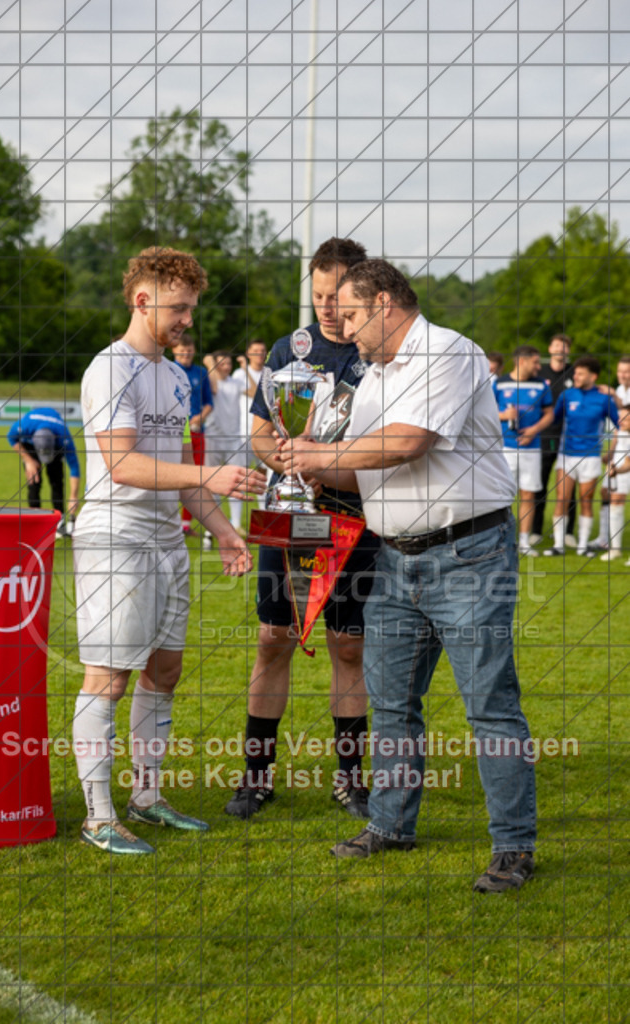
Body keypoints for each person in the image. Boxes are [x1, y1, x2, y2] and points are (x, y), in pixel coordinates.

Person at [280, 258, 537, 893]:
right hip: (392, 558)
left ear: (386, 302)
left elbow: (407, 442)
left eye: (351, 309)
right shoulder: (372, 375)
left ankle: (513, 846)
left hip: (468, 555)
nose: (340, 320)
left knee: (489, 705)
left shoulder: (449, 351)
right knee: (392, 702)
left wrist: (323, 454)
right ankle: (392, 824)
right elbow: (362, 468)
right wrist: (305, 466)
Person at [72, 247, 265, 855]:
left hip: (165, 539)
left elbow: (180, 469)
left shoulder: (177, 377)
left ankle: (147, 798)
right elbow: (123, 465)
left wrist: (223, 530)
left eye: (191, 308)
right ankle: (98, 816)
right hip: (115, 536)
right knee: (108, 676)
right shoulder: (110, 369)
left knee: (165, 670)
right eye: (178, 308)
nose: (187, 319)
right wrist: (208, 481)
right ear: (141, 299)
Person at [224, 236, 381, 822]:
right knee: (273, 640)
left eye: (336, 297)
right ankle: (256, 778)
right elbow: (262, 433)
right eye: (316, 296)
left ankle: (351, 781)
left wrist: (331, 467)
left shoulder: (382, 357)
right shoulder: (290, 351)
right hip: (287, 509)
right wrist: (289, 462)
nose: (325, 308)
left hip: (353, 515)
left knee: (349, 644)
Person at [543, 356, 619, 557]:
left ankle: (582, 547)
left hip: (591, 457)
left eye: (580, 373)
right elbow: (553, 419)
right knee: (562, 499)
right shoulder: (567, 395)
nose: (575, 376)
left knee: (586, 501)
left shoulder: (604, 399)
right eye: (575, 373)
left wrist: (612, 452)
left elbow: (622, 425)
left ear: (593, 376)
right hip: (566, 455)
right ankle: (558, 545)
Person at [493, 346, 553, 556]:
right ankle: (502, 541)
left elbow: (549, 413)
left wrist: (534, 430)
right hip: (505, 449)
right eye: (535, 362)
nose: (539, 366)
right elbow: (486, 412)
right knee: (503, 497)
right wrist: (503, 415)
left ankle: (525, 543)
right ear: (522, 361)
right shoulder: (499, 384)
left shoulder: (541, 385)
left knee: (528, 494)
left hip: (531, 448)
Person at [7, 407, 81, 536]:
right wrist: (28, 460)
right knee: (34, 482)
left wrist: (73, 496)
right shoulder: (24, 426)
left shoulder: (63, 436)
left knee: (57, 482)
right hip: (30, 445)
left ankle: (60, 524)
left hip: (54, 443)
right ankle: (35, 523)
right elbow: (11, 438)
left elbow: (74, 466)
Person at [531, 334, 576, 545]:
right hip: (545, 436)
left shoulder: (575, 373)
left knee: (570, 487)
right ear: (550, 348)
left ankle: (568, 532)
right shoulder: (540, 372)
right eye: (557, 345)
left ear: (568, 350)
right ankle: (535, 531)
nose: (560, 349)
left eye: (564, 346)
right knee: (539, 484)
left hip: (569, 438)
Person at [172, 333, 214, 535]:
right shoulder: (166, 369)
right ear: (174, 349)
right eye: (182, 350)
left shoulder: (201, 372)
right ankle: (167, 520)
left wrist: (199, 418)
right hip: (173, 431)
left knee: (194, 476)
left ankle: (185, 524)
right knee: (170, 475)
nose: (186, 354)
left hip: (197, 431)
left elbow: (209, 403)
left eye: (189, 351)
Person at [202, 350, 246, 540]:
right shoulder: (211, 381)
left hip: (233, 437)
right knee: (213, 483)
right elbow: (214, 389)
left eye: (229, 364)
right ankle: (216, 525)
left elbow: (253, 391)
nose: (226, 367)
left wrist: (244, 368)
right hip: (213, 436)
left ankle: (236, 523)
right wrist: (210, 363)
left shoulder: (236, 382)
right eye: (222, 364)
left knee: (237, 481)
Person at [592, 356, 630, 551]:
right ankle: (604, 538)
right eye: (620, 371)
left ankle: (614, 546)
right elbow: (619, 427)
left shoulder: (620, 393)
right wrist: (611, 452)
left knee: (619, 497)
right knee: (606, 492)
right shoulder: (622, 390)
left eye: (627, 372)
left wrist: (613, 394)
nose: (622, 375)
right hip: (620, 451)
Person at [230, 339, 268, 531]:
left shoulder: (268, 374)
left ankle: (262, 521)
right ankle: (236, 523)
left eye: (262, 350)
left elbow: (260, 395)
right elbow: (255, 394)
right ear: (248, 352)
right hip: (242, 434)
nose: (259, 354)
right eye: (255, 350)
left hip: (263, 435)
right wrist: (244, 369)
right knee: (240, 478)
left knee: (263, 478)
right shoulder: (238, 374)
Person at [604, 407, 630, 564]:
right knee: (615, 504)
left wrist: (616, 471)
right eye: (620, 418)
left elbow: (628, 464)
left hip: (624, 469)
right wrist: (609, 463)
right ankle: (615, 549)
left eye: (625, 419)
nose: (620, 421)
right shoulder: (621, 432)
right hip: (621, 470)